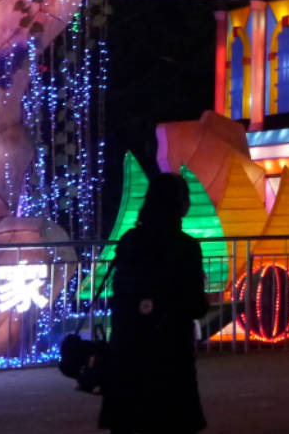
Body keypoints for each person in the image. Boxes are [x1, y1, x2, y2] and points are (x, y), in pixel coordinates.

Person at [99, 172, 208, 434]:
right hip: (171, 353)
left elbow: (120, 295)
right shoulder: (185, 247)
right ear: (179, 204)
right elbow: (196, 305)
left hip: (129, 351)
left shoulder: (129, 241)